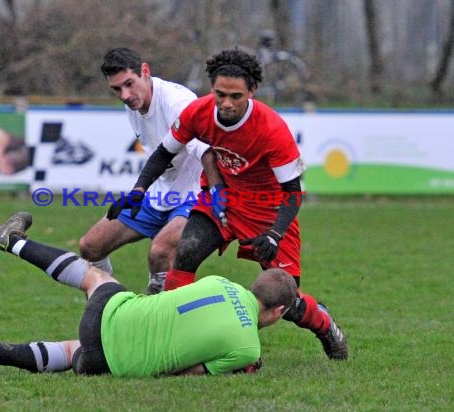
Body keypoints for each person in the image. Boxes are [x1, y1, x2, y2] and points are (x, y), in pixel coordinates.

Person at [108, 48, 348, 360]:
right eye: (220, 94)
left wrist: (275, 233)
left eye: (236, 96)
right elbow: (164, 153)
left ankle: (324, 324)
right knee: (187, 252)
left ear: (252, 91)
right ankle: (172, 340)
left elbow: (292, 191)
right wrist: (139, 190)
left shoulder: (271, 128)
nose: (226, 103)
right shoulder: (199, 112)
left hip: (268, 210)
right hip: (221, 201)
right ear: (212, 89)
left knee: (284, 300)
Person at [0, 211, 297, 377]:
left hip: (110, 316)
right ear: (278, 312)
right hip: (106, 365)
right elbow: (192, 373)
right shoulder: (249, 348)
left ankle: (13, 241)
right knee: (68, 351)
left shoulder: (221, 282)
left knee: (95, 278)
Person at [76, 47, 208, 294]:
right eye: (117, 89)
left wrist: (219, 198)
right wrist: (140, 190)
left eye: (129, 83)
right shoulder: (134, 103)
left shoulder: (177, 103)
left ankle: (157, 321)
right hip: (158, 193)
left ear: (145, 71)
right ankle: (106, 306)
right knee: (90, 247)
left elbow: (207, 153)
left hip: (194, 194)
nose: (125, 95)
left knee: (160, 253)